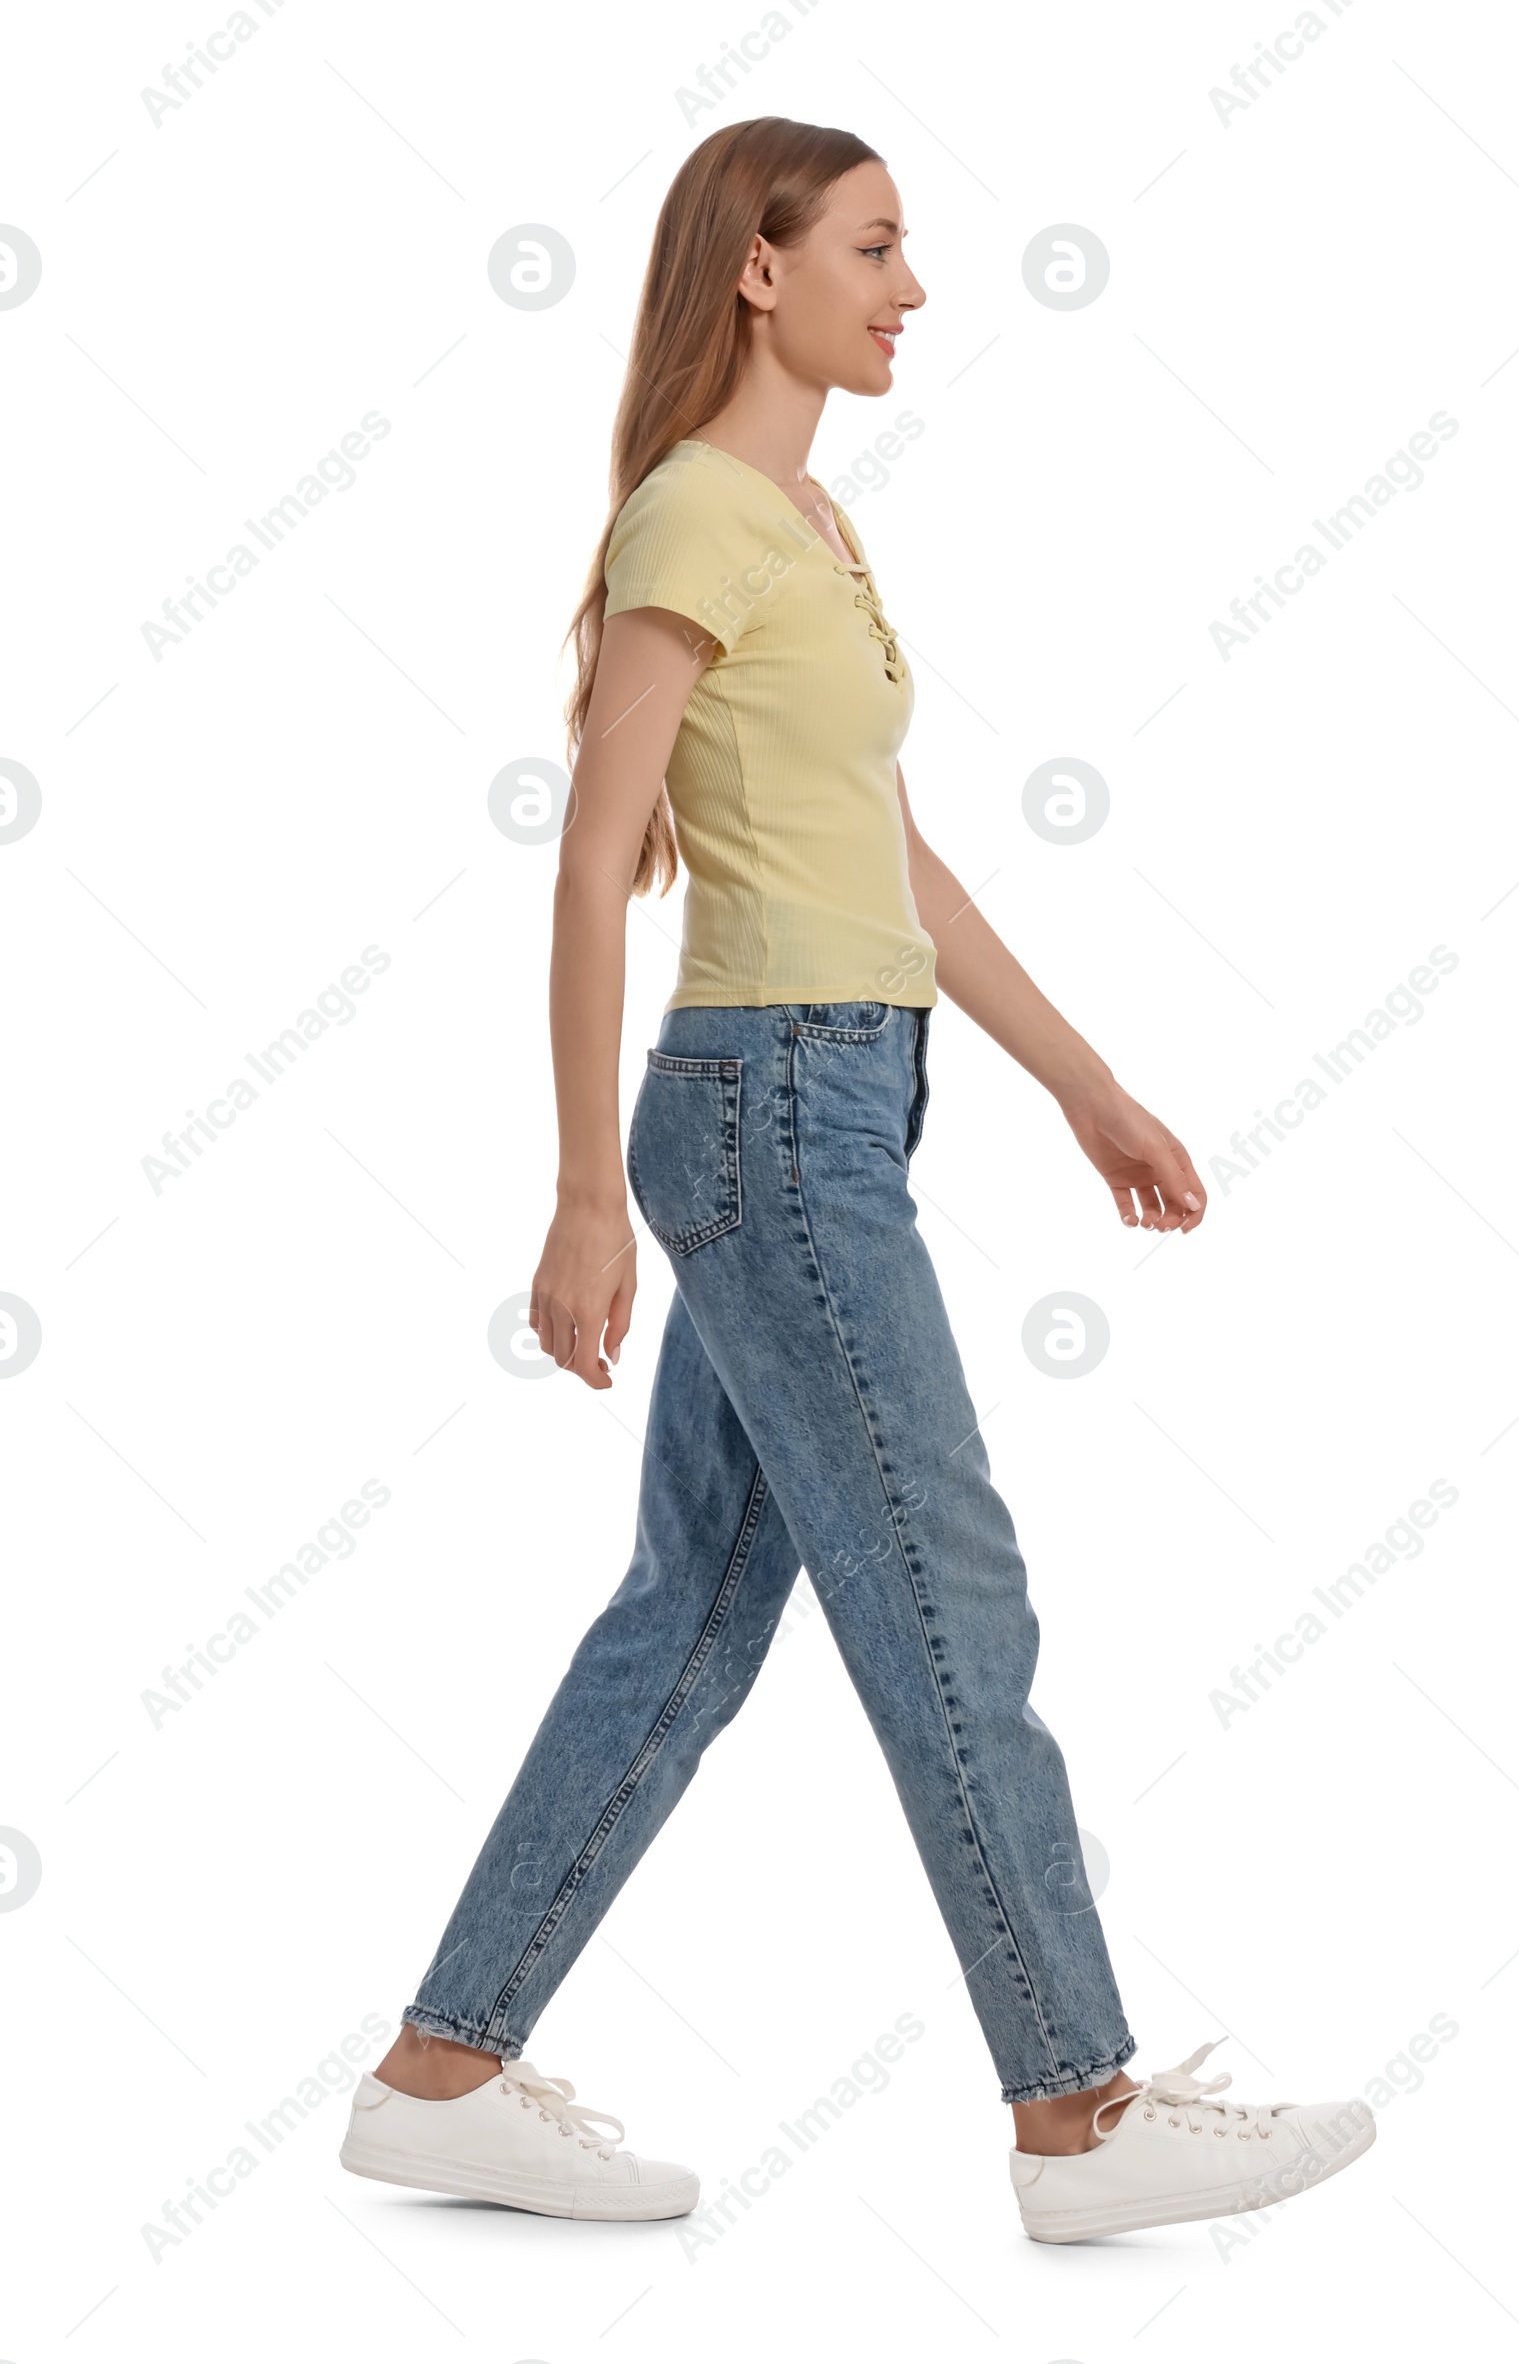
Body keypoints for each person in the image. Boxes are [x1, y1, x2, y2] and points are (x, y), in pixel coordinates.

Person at [340, 117, 1375, 2241]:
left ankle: (439, 2066)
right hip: (762, 1119)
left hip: (838, 1100)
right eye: (878, 247)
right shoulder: (695, 519)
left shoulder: (806, 520)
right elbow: (590, 854)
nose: (911, 288)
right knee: (946, 1590)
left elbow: (883, 853)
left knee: (695, 1616)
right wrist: (575, 1191)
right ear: (758, 267)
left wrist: (1082, 1081)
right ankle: (1076, 2112)